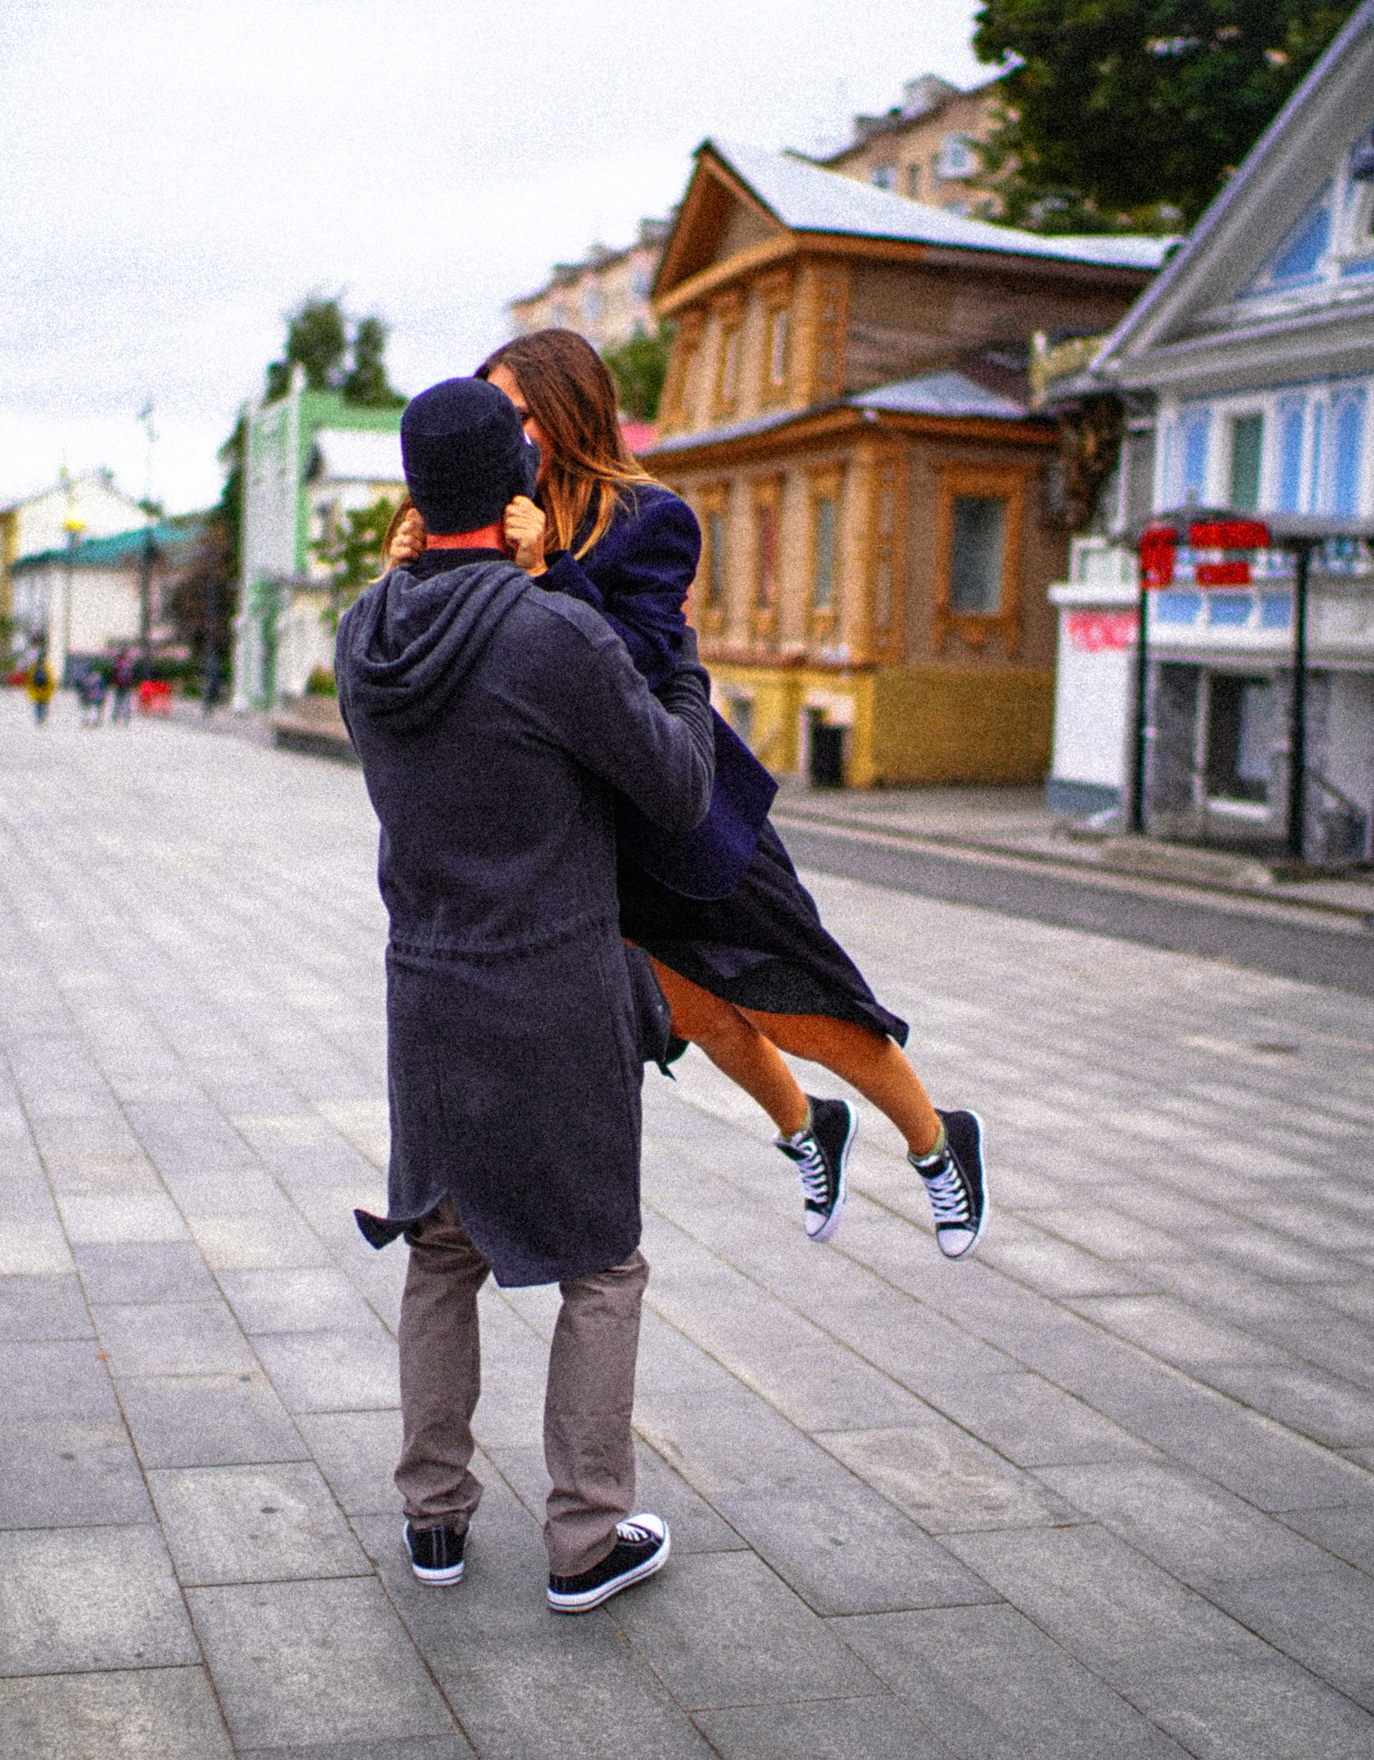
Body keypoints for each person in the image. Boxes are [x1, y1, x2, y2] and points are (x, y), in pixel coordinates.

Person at [393, 329, 987, 1259]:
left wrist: (551, 568)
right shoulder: (500, 514)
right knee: (697, 1013)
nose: (509, 433)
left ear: (567, 409)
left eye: (518, 412)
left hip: (689, 809)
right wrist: (419, 563)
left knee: (804, 1007)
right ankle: (809, 1130)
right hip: (597, 834)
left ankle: (940, 1143)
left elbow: (644, 667)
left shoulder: (650, 517)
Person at [339, 378, 714, 1615]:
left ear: (410, 494)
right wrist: (683, 673)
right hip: (552, 987)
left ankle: (433, 1518)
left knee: (441, 1255)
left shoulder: (363, 634)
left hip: (428, 992)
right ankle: (585, 1535)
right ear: (515, 491)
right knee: (600, 1263)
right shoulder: (549, 632)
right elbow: (669, 783)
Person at [25, 652, 56, 725]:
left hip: (36, 690)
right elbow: (52, 679)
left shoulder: (33, 667)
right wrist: (52, 689)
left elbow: (29, 679)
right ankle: (43, 718)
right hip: (46, 690)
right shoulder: (48, 668)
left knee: (38, 705)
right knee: (44, 705)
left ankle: (39, 718)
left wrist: (30, 689)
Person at [111, 649, 137, 723]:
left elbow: (114, 673)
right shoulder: (129, 664)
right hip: (127, 685)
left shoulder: (118, 663)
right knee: (126, 702)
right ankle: (126, 718)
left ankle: (115, 718)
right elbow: (132, 674)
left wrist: (114, 682)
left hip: (119, 684)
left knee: (117, 702)